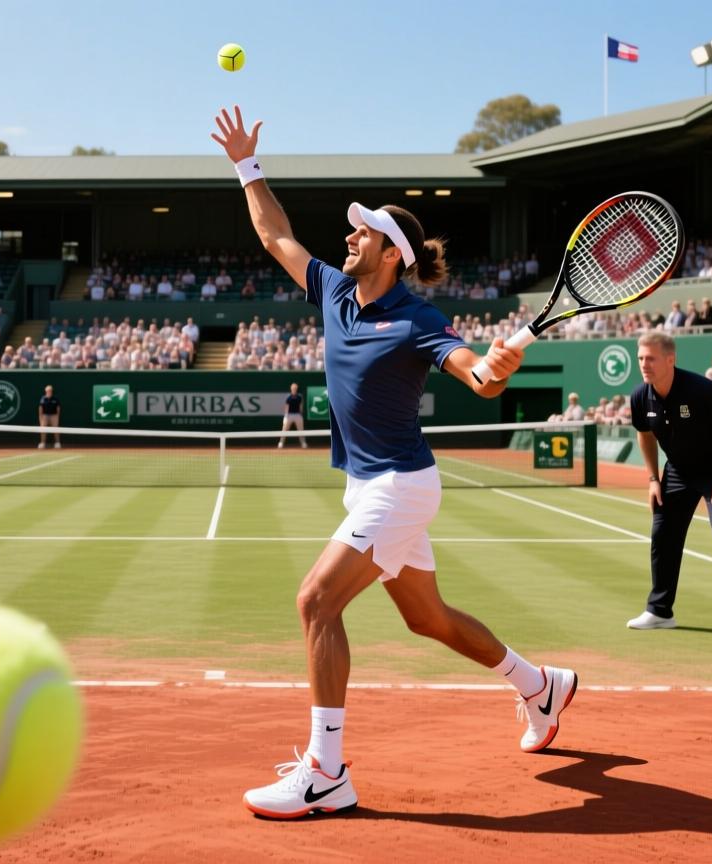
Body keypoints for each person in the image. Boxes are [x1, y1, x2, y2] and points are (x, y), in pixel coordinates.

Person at [212, 105, 575, 820]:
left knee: (316, 601)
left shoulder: (419, 321)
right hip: (369, 486)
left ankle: (327, 772)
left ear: (390, 256)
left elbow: (475, 375)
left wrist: (496, 368)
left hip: (402, 486)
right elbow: (274, 232)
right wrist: (246, 165)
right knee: (428, 617)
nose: (350, 236)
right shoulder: (336, 290)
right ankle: (539, 684)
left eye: (365, 232)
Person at [627, 332, 712, 652]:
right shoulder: (639, 396)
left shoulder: (702, 390)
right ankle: (660, 611)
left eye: (651, 358)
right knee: (663, 534)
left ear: (670, 360)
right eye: (641, 358)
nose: (644, 364)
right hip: (677, 471)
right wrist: (652, 479)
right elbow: (644, 435)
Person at [278, 382, 307, 449]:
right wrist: (286, 415)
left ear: (296, 389)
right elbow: (286, 406)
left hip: (297, 415)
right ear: (291, 389)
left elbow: (301, 406)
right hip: (289, 415)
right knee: (284, 430)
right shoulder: (288, 397)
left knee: (301, 430)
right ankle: (281, 443)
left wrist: (300, 414)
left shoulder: (299, 397)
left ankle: (303, 443)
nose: (294, 389)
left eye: (295, 388)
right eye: (293, 388)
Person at [38, 384, 61, 449]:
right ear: (46, 391)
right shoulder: (43, 398)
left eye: (50, 390)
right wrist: (40, 417)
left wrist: (57, 416)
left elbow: (58, 408)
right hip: (45, 416)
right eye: (48, 391)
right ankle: (42, 443)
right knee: (43, 430)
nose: (49, 392)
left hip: (54, 416)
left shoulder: (55, 399)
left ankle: (57, 443)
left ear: (52, 391)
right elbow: (40, 408)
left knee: (56, 429)